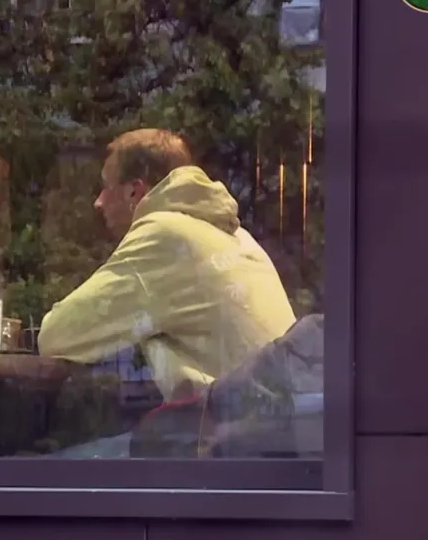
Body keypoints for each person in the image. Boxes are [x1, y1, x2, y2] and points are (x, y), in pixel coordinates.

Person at [37, 129, 297, 456]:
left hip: (226, 452)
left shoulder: (164, 233)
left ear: (134, 192)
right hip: (275, 445)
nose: (98, 201)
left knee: (53, 467)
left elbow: (56, 336)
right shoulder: (237, 236)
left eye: (105, 186)